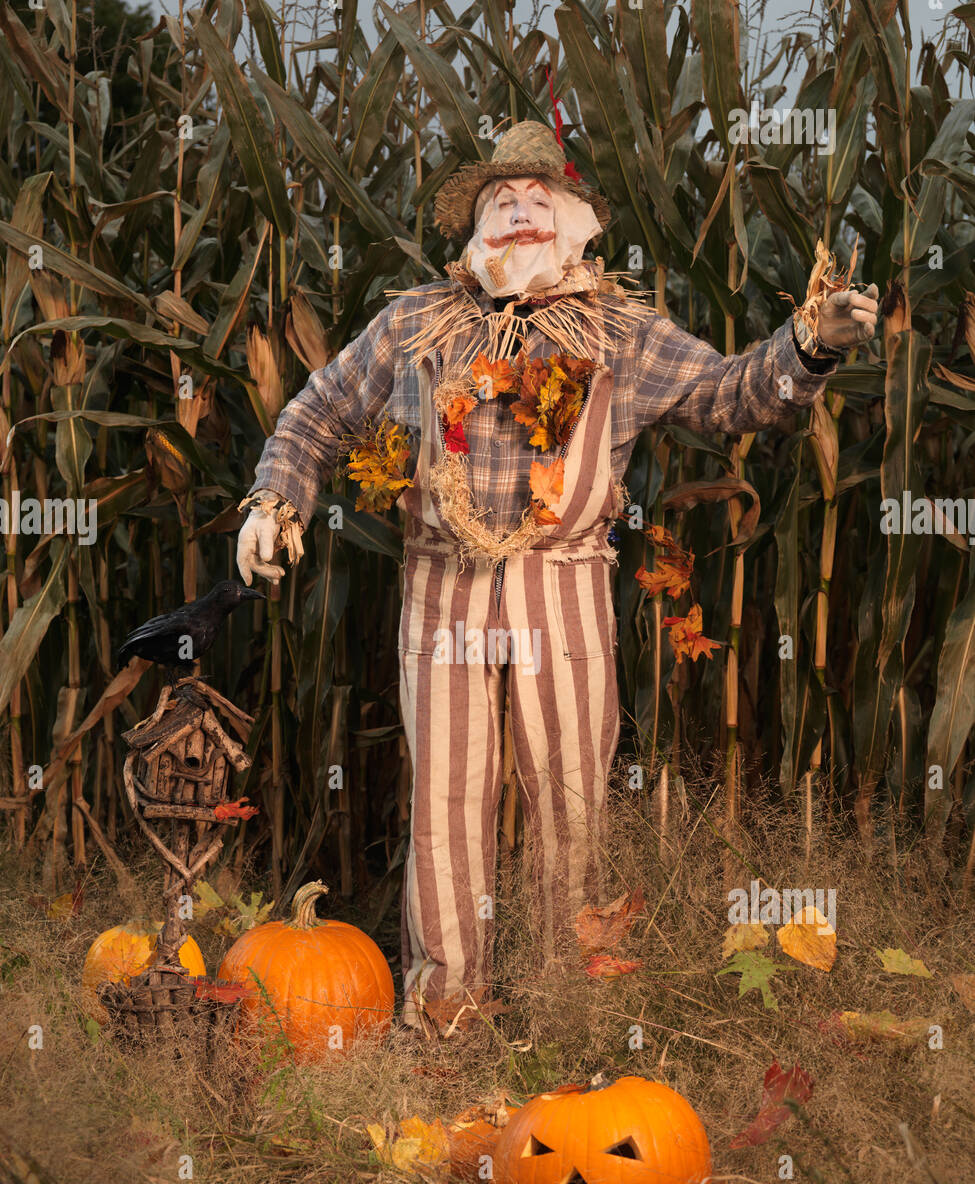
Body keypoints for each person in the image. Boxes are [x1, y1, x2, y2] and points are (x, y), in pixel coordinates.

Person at [235, 121, 879, 1030]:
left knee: (570, 798)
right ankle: (444, 1010)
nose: (520, 215)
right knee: (446, 801)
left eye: (539, 202)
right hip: (441, 585)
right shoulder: (414, 323)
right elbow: (318, 414)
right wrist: (275, 503)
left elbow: (735, 395)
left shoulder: (619, 330)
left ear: (574, 224)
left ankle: (564, 1007)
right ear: (476, 226)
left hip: (563, 583)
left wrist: (811, 342)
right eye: (503, 203)